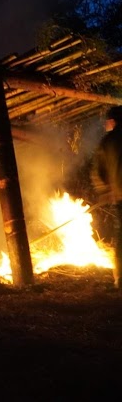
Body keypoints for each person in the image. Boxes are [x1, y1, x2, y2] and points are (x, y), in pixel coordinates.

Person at [91, 105, 122, 290]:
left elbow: (97, 172)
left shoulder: (107, 142)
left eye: (107, 122)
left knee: (121, 239)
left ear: (112, 122)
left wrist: (105, 190)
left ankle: (120, 279)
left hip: (119, 198)